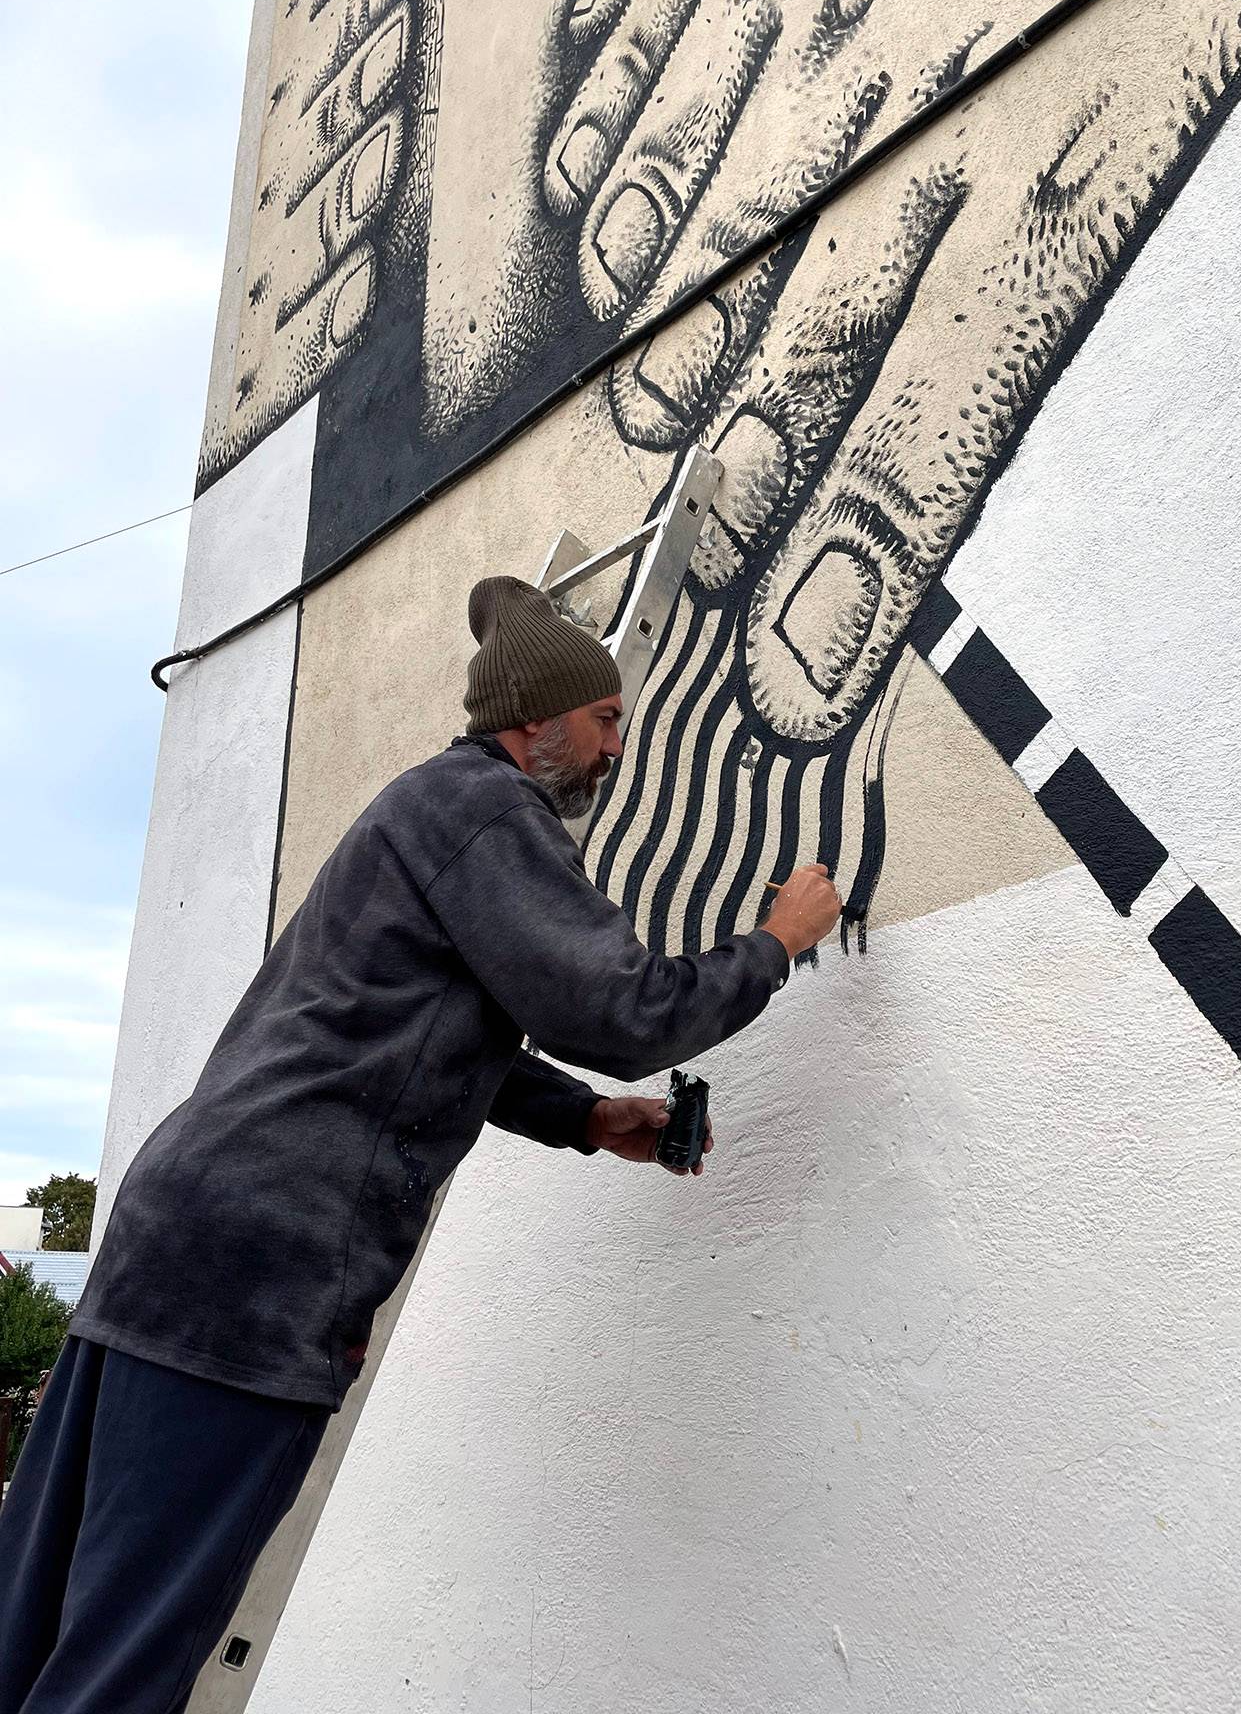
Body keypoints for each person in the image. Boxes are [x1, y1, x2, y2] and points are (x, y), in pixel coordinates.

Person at [0, 576, 841, 1713]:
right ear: (534, 722)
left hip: (172, 1242)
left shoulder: (422, 810)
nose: (618, 747)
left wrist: (584, 1118)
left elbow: (408, 1033)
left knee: (35, 1623)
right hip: (256, 1279)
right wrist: (775, 942)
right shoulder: (494, 814)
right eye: (606, 719)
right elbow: (628, 1012)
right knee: (125, 1664)